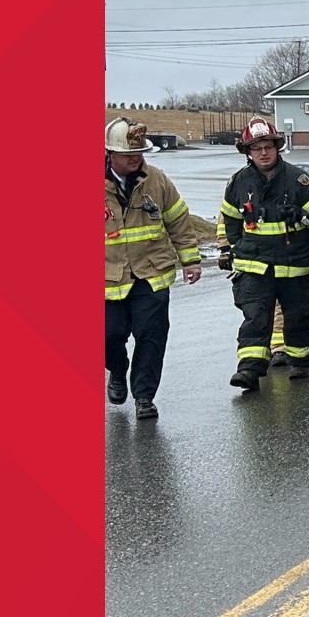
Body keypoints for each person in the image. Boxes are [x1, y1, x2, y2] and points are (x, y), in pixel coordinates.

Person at [217, 117, 309, 391]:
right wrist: (235, 249)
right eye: (256, 148)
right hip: (255, 268)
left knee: (298, 319)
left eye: (268, 146)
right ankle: (249, 370)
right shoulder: (238, 183)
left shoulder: (298, 179)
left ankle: (300, 363)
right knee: (255, 318)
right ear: (248, 152)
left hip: (295, 267)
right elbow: (230, 220)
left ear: (277, 147)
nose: (263, 153)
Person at [105, 117, 207, 420]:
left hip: (151, 276)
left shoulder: (157, 180)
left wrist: (190, 260)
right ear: (110, 154)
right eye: (128, 155)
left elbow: (178, 219)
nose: (136, 159)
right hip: (107, 279)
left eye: (139, 154)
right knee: (107, 337)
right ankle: (118, 370)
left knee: (151, 337)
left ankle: (144, 397)